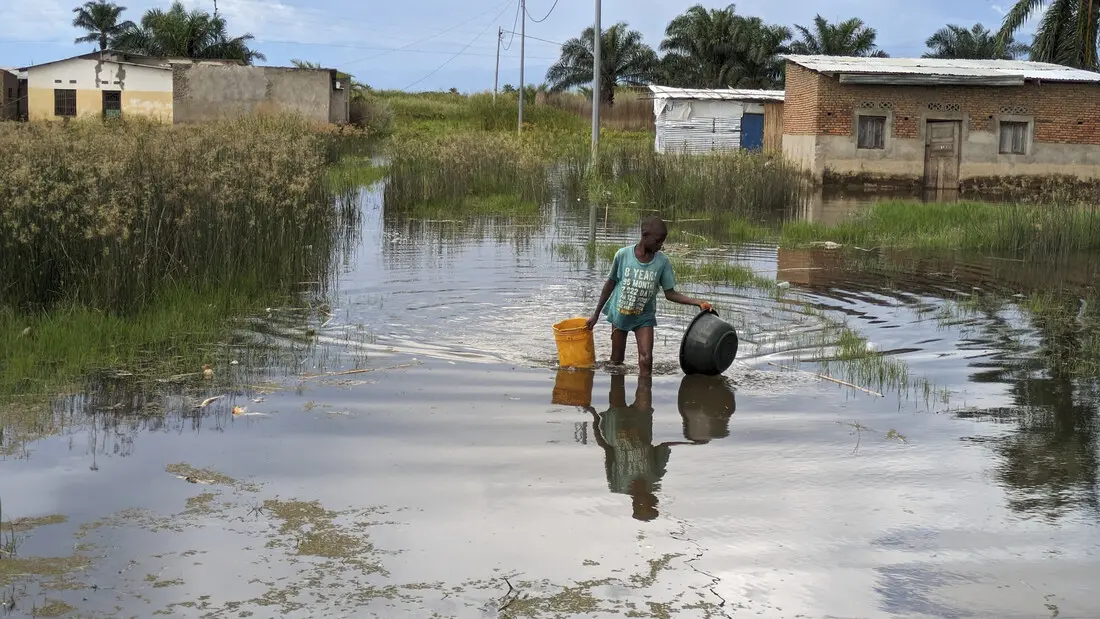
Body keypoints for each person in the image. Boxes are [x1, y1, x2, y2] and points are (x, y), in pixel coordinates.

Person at [585, 215, 712, 377]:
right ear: (644, 236)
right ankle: (616, 398)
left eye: (663, 241)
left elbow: (670, 293)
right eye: (658, 241)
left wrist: (698, 302)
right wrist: (595, 315)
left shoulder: (662, 262)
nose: (661, 245)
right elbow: (609, 284)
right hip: (620, 314)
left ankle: (644, 397)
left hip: (644, 317)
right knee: (616, 362)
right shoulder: (623, 255)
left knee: (646, 360)